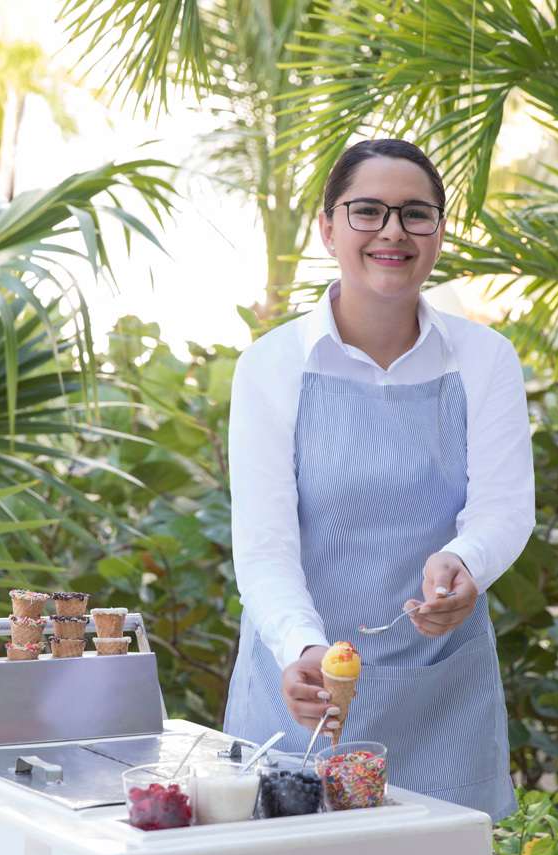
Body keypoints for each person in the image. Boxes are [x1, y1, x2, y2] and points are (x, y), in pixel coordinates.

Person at [222, 138, 534, 819]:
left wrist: (465, 560)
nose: (393, 231)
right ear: (328, 227)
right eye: (367, 211)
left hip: (443, 696)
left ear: (439, 233)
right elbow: (265, 546)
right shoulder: (271, 366)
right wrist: (303, 648)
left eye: (416, 214)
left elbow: (505, 507)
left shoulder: (486, 359)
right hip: (299, 686)